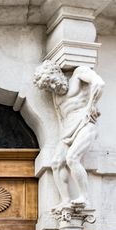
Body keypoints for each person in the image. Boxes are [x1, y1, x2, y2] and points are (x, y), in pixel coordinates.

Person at [34, 60, 105, 210]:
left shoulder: (78, 74)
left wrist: (91, 106)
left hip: (85, 124)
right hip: (67, 130)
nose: (53, 87)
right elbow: (61, 119)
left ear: (57, 73)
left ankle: (84, 198)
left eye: (52, 82)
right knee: (56, 163)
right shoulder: (56, 96)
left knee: (72, 158)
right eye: (49, 86)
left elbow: (99, 83)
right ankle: (66, 201)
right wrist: (63, 139)